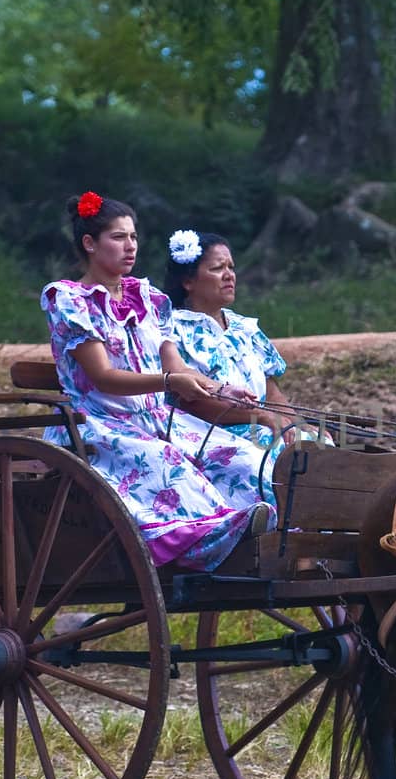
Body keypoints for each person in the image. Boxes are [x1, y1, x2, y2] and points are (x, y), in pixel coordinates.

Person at [39, 191, 274, 573]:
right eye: (118, 237)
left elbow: (177, 366)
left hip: (159, 418)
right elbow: (103, 377)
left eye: (133, 237)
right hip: (102, 423)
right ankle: (205, 540)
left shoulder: (149, 298)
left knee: (242, 457)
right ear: (89, 243)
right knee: (166, 461)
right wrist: (169, 382)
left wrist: (220, 389)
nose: (130, 246)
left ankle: (260, 530)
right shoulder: (69, 300)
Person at [163, 229, 331, 457]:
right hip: (208, 432)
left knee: (318, 443)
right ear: (188, 281)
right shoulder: (172, 330)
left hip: (263, 423)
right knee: (268, 454)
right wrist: (260, 417)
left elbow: (271, 392)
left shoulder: (245, 328)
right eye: (217, 268)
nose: (229, 275)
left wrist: (295, 423)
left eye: (230, 267)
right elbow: (192, 402)